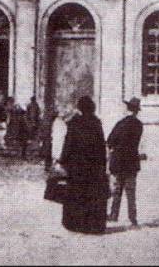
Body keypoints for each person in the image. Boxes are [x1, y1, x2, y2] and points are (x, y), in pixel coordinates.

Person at [57, 96, 109, 234]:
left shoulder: (74, 124)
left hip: (77, 167)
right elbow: (101, 146)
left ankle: (75, 224)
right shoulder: (97, 124)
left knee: (77, 194)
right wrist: (103, 165)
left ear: (80, 108)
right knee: (92, 195)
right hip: (94, 167)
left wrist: (62, 160)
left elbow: (68, 144)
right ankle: (93, 225)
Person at [107, 97, 144, 227]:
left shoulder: (121, 123)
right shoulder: (139, 125)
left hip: (118, 161)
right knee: (131, 192)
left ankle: (113, 214)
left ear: (127, 109)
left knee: (117, 190)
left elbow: (110, 140)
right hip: (132, 161)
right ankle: (133, 218)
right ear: (137, 111)